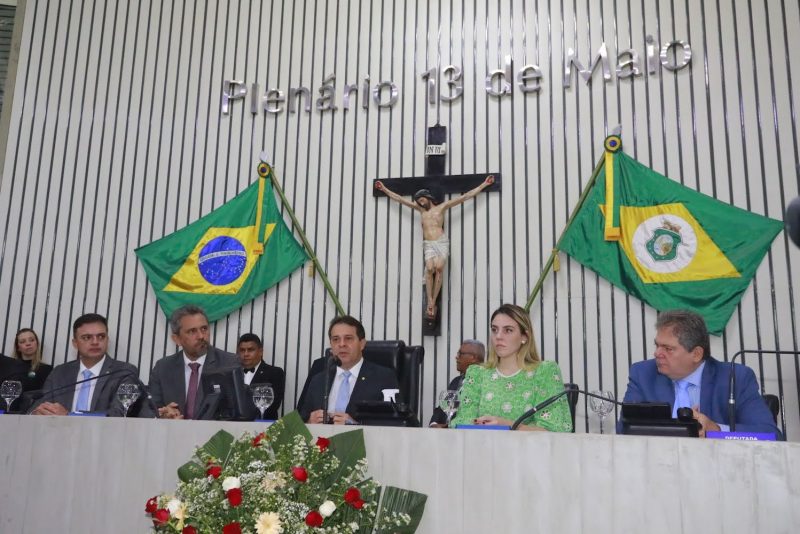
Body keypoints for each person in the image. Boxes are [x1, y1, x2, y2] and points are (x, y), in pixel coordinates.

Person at [620, 309, 780, 437]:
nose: (657, 353)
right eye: (657, 345)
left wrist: (716, 430)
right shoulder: (643, 374)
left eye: (668, 348)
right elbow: (623, 431)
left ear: (696, 354)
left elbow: (771, 434)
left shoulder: (734, 378)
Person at [375, 176, 494, 319]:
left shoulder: (441, 207)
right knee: (429, 268)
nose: (419, 202)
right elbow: (400, 199)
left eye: (421, 199)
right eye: (418, 201)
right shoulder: (421, 211)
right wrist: (384, 189)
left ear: (427, 197)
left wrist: (483, 185)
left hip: (441, 242)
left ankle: (432, 300)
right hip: (428, 244)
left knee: (438, 268)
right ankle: (430, 300)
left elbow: (465, 197)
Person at [450, 304, 573, 431]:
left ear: (524, 336)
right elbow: (463, 423)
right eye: (494, 330)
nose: (498, 336)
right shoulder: (477, 374)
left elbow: (555, 431)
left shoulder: (544, 372)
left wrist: (507, 425)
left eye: (508, 330)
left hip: (530, 450)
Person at [30, 314, 139, 416]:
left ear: (107, 340)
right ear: (75, 343)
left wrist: (69, 416)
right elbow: (37, 407)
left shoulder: (124, 372)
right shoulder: (60, 372)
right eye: (87, 337)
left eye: (101, 336)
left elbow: (119, 413)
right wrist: (38, 413)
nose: (95, 342)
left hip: (104, 434)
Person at [298, 315, 399, 424]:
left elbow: (397, 423)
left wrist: (355, 425)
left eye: (348, 338)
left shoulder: (383, 378)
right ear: (331, 345)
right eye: (336, 339)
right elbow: (299, 421)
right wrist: (308, 421)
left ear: (362, 344)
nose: (342, 344)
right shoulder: (319, 380)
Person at [148, 305, 239, 419]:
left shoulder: (229, 363)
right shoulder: (163, 367)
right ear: (177, 339)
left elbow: (237, 412)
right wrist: (163, 415)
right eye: (192, 331)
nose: (201, 336)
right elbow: (149, 409)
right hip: (173, 434)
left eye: (204, 329)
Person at [429, 339, 485, 427]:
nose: (456, 357)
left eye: (460, 354)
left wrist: (448, 427)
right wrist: (434, 424)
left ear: (473, 358)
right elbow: (442, 408)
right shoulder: (456, 381)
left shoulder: (485, 382)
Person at [237, 333, 285, 420]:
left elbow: (273, 405)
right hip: (232, 426)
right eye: (242, 350)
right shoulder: (231, 373)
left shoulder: (275, 373)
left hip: (263, 429)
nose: (246, 354)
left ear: (260, 352)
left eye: (250, 350)